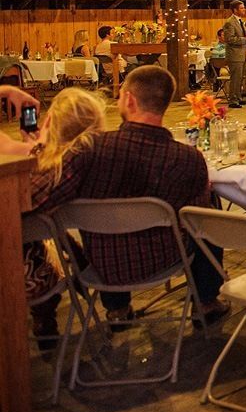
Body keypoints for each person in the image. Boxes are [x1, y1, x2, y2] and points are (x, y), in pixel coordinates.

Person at [33, 66, 228, 328]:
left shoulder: (89, 148)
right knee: (208, 213)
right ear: (166, 104)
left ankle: (117, 309)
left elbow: (42, 198)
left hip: (103, 267)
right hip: (164, 260)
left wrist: (40, 147)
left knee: (107, 223)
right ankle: (206, 302)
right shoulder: (189, 159)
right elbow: (199, 223)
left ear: (129, 99)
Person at [10, 88, 106, 343]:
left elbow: (18, 204)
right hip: (53, 255)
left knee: (35, 239)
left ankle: (44, 319)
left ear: (51, 122)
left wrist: (5, 90)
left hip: (19, 269)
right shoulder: (88, 160)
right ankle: (45, 320)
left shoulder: (49, 170)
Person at [221, 0, 246, 108]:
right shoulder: (230, 22)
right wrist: (244, 39)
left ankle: (238, 97)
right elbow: (229, 39)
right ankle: (233, 100)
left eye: (244, 7)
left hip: (241, 53)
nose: (244, 9)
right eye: (241, 8)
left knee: (240, 78)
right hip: (234, 54)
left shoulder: (239, 21)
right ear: (235, 10)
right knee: (235, 78)